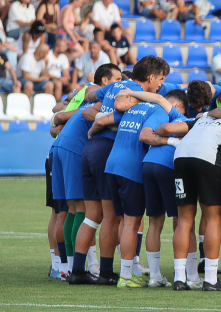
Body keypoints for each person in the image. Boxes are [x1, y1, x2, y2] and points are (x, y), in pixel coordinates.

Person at [69, 57, 170, 286]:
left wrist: (95, 125)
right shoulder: (133, 91)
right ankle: (106, 271)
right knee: (111, 217)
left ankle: (77, 269)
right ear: (151, 77)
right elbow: (120, 108)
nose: (161, 86)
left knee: (92, 216)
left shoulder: (115, 85)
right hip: (109, 149)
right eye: (161, 80)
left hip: (91, 149)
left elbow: (89, 95)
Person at [86, 88, 186, 288]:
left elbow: (102, 119)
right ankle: (125, 277)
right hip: (131, 168)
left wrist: (90, 133)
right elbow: (144, 136)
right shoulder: (159, 112)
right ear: (175, 106)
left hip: (111, 165)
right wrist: (172, 141)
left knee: (123, 221)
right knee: (132, 222)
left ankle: (130, 271)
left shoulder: (134, 107)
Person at [155, 101, 221, 291]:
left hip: (180, 157)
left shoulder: (204, 118)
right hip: (207, 157)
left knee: (184, 219)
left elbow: (165, 128)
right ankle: (210, 279)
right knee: (213, 218)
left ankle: (179, 278)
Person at [55, 64, 123, 285]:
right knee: (84, 210)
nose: (119, 83)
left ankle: (69, 267)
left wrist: (57, 118)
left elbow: (61, 113)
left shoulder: (89, 93)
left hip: (63, 145)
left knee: (71, 209)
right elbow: (80, 111)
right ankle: (80, 267)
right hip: (77, 147)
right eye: (117, 79)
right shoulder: (108, 96)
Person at [139, 90, 190, 287]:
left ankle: (154, 276)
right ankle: (184, 274)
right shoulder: (181, 119)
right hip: (167, 167)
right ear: (179, 106)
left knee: (154, 223)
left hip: (148, 164)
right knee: (182, 220)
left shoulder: (156, 120)